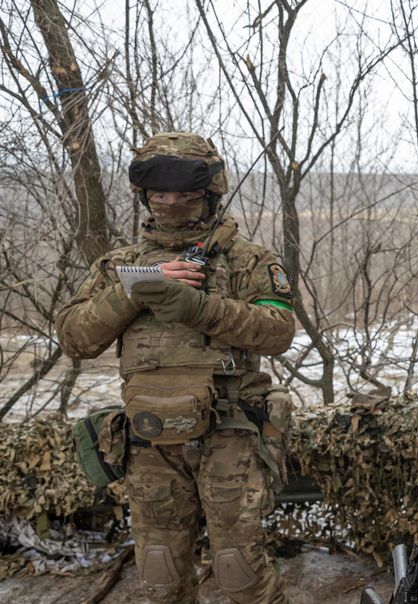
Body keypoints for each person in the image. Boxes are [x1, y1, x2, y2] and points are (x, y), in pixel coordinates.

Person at [56, 132, 296, 604]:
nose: (171, 203)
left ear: (208, 193)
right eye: (160, 194)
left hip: (231, 433)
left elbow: (278, 332)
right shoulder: (119, 266)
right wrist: (135, 290)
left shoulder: (249, 261)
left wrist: (199, 307)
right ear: (145, 195)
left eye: (184, 195)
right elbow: (75, 337)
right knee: (161, 575)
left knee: (240, 572)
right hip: (150, 440)